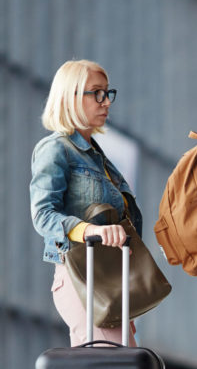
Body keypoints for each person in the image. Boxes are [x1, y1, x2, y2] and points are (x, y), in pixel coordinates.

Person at [30, 59, 139, 347]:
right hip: (81, 277)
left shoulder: (99, 158)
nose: (106, 102)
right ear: (70, 96)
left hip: (107, 281)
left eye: (107, 93)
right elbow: (43, 215)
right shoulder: (55, 150)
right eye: (97, 93)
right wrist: (90, 231)